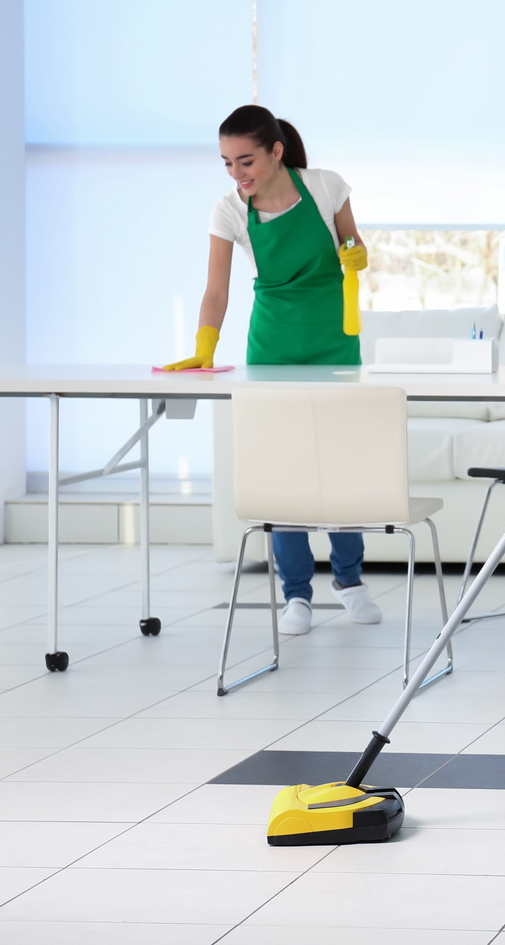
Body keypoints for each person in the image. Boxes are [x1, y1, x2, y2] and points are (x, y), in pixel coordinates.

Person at [163, 105, 381, 636]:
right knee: (286, 472)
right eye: (227, 163)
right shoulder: (229, 212)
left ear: (276, 151)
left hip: (334, 343)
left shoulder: (325, 187)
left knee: (341, 467)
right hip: (273, 346)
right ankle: (296, 594)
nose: (237, 173)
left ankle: (349, 581)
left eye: (246, 161)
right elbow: (217, 290)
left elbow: (352, 245)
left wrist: (356, 255)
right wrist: (205, 345)